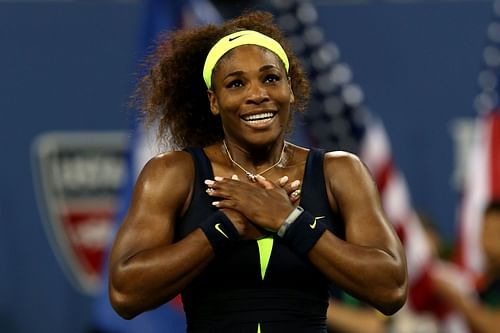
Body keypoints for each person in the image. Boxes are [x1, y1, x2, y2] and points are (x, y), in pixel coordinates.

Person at [108, 10, 408, 333]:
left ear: (290, 89)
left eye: (270, 78)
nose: (257, 94)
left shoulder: (340, 172)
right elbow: (125, 292)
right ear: (214, 100)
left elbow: (391, 289)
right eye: (236, 84)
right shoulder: (173, 174)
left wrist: (288, 222)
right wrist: (227, 226)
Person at [431, 200, 500, 333]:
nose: (489, 240)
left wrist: (457, 299)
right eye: (486, 230)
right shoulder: (480, 283)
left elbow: (495, 328)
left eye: (497, 232)